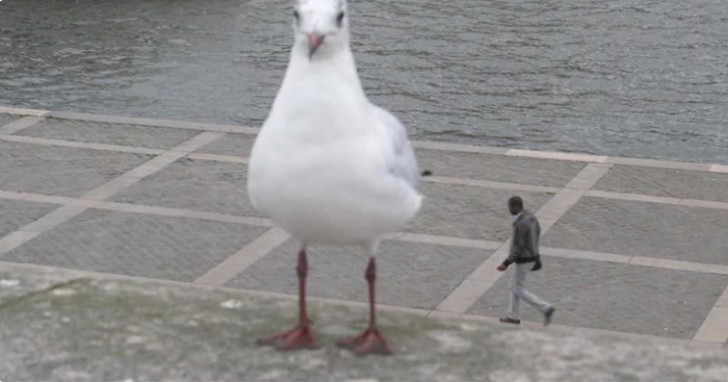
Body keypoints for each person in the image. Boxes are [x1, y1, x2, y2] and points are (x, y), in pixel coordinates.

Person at [497, 196, 555, 326]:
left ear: (516, 207)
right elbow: (537, 233)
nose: (509, 209)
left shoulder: (521, 224)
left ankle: (545, 308)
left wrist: (506, 263)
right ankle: (513, 316)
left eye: (510, 207)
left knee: (516, 288)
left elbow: (518, 246)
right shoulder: (532, 218)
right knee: (514, 286)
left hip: (524, 259)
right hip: (532, 256)